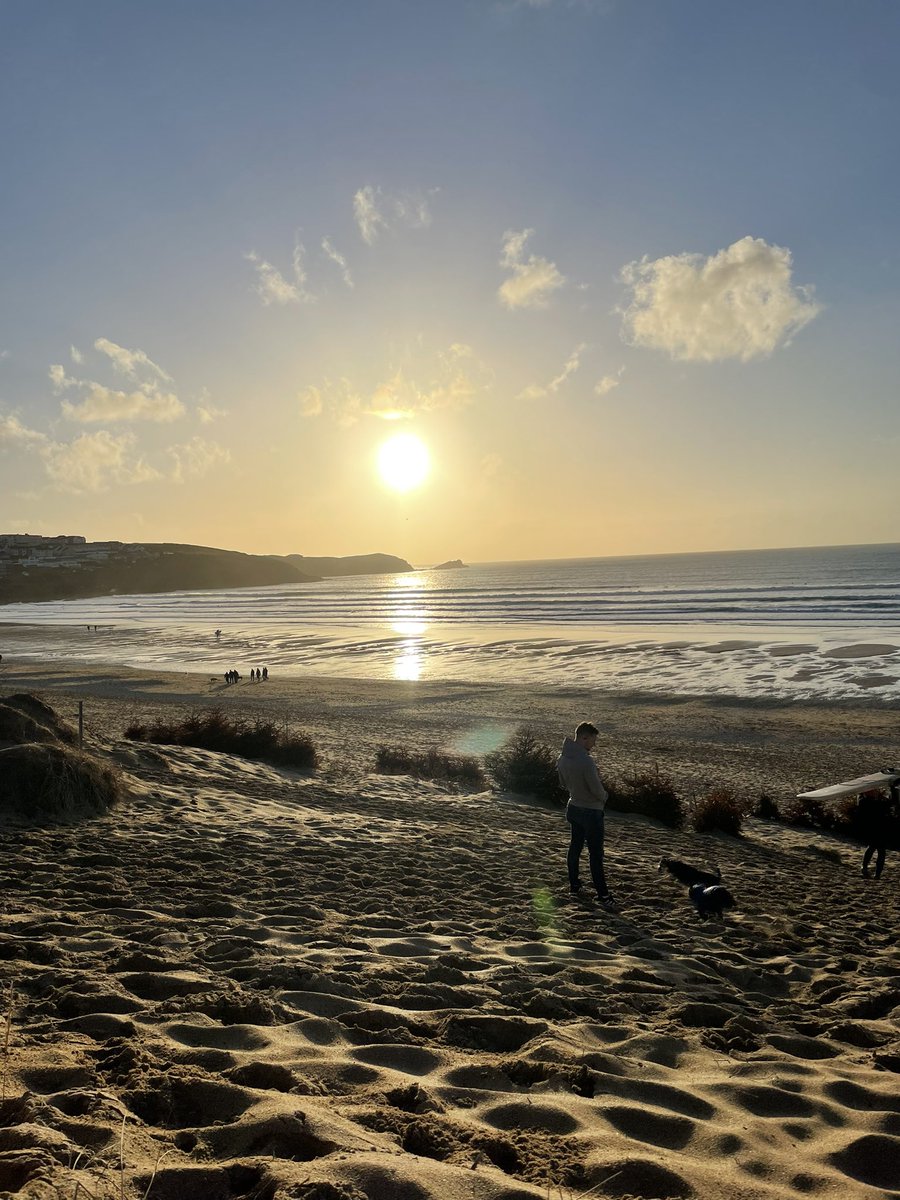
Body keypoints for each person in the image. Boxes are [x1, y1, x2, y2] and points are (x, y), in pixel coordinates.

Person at [556, 721, 616, 908]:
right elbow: (596, 789)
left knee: (575, 847)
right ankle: (603, 895)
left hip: (573, 807)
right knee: (595, 855)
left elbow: (563, 784)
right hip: (590, 811)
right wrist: (604, 796)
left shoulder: (563, 757)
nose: (594, 744)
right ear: (584, 737)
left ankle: (574, 884)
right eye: (593, 740)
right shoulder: (586, 760)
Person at [859, 784, 898, 879]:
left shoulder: (864, 801)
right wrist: (893, 788)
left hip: (875, 829)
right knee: (880, 850)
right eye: (872, 790)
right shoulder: (868, 802)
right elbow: (892, 802)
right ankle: (876, 873)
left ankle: (867, 869)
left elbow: (890, 803)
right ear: (867, 792)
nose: (875, 791)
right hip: (877, 829)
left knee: (873, 847)